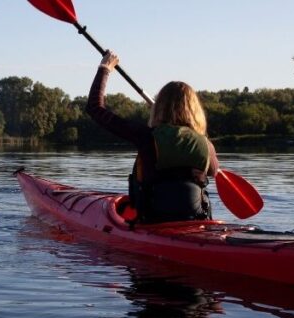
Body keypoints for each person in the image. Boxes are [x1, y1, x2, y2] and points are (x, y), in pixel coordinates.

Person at [87, 51, 220, 224]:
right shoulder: (206, 145)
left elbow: (95, 108)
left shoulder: (146, 136)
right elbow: (214, 171)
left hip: (153, 222)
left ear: (158, 108)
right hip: (197, 221)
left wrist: (104, 69)